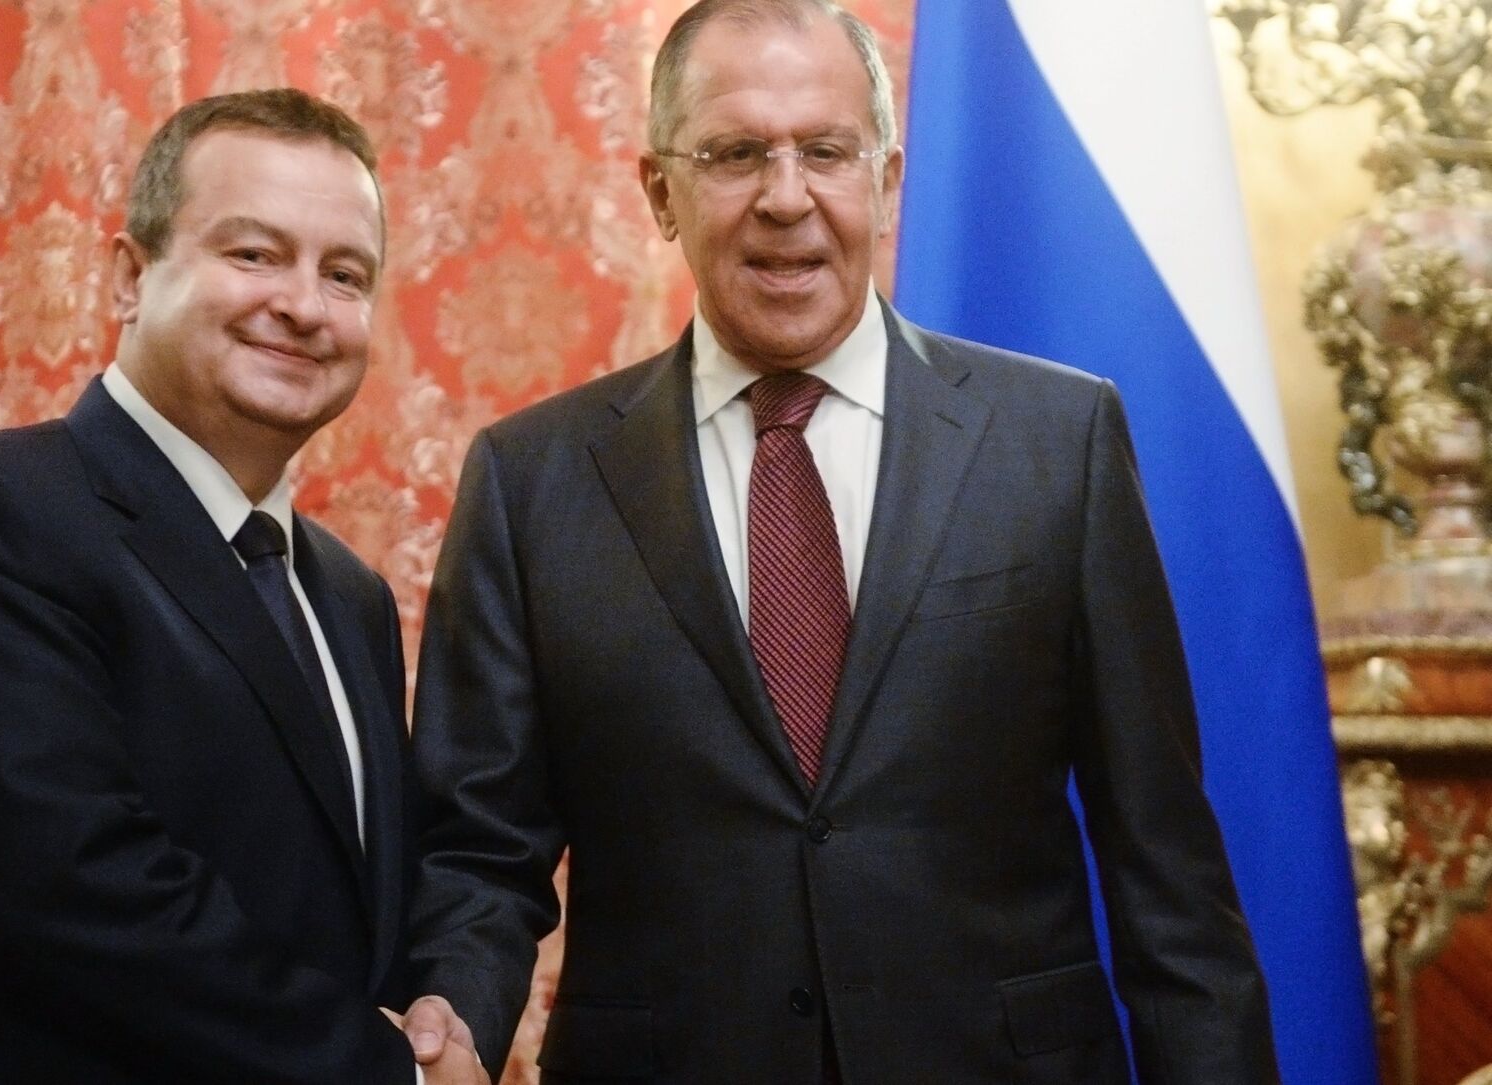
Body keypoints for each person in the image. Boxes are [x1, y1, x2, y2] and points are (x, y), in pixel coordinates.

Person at [402, 2, 1282, 1082]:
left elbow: (1166, 868)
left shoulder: (1059, 441)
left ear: (888, 179)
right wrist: (449, 1020)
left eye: (826, 151)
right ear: (660, 193)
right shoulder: (531, 479)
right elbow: (479, 854)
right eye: (734, 154)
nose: (786, 197)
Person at [0, 88, 483, 1084]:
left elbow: (351, 914)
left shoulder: (347, 597)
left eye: (344, 273)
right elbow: (68, 891)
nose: (303, 305)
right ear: (129, 277)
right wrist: (386, 1070)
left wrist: (441, 1019)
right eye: (254, 254)